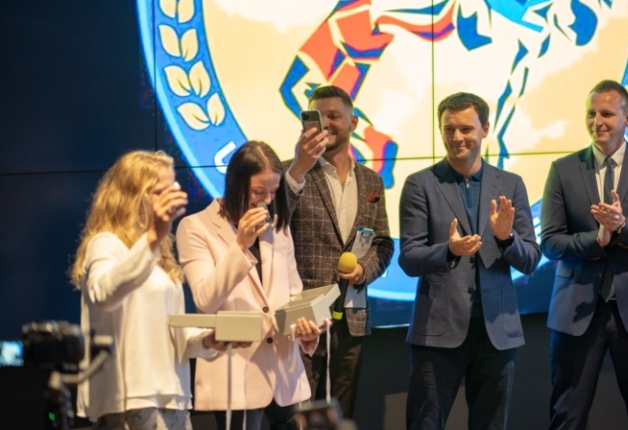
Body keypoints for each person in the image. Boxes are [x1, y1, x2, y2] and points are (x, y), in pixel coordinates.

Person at [541, 79, 628, 430]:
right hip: (576, 313)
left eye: (606, 114)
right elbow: (551, 243)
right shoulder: (563, 169)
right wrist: (597, 240)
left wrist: (623, 227)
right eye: (591, 114)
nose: (597, 122)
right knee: (566, 418)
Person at [398, 92, 541, 430]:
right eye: (448, 129)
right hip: (438, 331)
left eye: (465, 129)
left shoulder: (510, 184)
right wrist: (449, 251)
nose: (456, 137)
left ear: (485, 129)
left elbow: (531, 259)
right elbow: (409, 259)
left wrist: (506, 239)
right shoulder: (420, 184)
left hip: (497, 331)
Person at [71, 150, 231, 430]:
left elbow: (165, 332)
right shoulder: (106, 244)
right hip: (133, 400)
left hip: (173, 399)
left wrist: (205, 341)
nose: (170, 199)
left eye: (172, 189)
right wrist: (153, 237)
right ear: (131, 196)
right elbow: (104, 294)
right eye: (160, 192)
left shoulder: (157, 254)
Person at [176, 141, 322, 430]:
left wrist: (305, 327)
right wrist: (240, 246)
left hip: (284, 369)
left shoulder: (278, 226)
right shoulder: (195, 227)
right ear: (235, 184)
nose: (266, 200)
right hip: (236, 372)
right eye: (258, 192)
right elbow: (205, 299)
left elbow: (293, 294)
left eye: (273, 192)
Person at [284, 85, 394, 419]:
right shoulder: (290, 172)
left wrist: (363, 271)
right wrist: (298, 169)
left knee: (340, 415)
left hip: (352, 318)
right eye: (317, 118)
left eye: (334, 116)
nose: (326, 124)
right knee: (296, 416)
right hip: (302, 318)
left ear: (353, 122)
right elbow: (273, 226)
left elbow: (383, 242)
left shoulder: (372, 181)